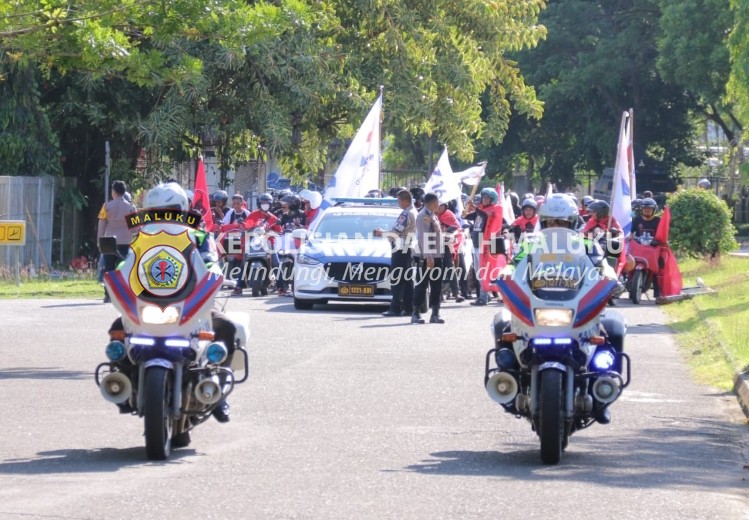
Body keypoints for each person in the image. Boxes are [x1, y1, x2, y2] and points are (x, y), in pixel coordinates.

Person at [107, 182, 237, 423]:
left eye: (170, 210)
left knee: (226, 326)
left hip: (191, 302)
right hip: (148, 302)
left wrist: (214, 274)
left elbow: (209, 260)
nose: (163, 216)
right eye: (156, 211)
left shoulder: (199, 235)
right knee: (117, 327)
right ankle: (122, 382)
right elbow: (127, 263)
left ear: (182, 210)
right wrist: (118, 275)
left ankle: (219, 389)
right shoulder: (142, 239)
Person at [502, 193, 623, 423]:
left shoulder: (587, 244)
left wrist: (611, 280)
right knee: (502, 326)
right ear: (544, 222)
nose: (557, 227)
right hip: (539, 301)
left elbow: (602, 266)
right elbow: (513, 264)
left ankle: (602, 397)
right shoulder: (529, 243)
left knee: (612, 329)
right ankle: (508, 381)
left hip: (574, 302)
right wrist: (503, 277)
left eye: (563, 223)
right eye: (551, 223)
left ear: (573, 222)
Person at [376, 189, 417, 317]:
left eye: (399, 200)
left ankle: (395, 308)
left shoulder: (406, 214)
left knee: (397, 279)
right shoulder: (414, 212)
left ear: (405, 200)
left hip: (400, 248)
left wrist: (381, 233)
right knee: (407, 280)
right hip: (408, 247)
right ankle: (408, 307)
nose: (398, 203)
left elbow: (395, 233)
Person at [462, 187, 504, 306]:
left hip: (485, 245)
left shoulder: (493, 209)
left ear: (492, 199)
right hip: (475, 244)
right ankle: (485, 294)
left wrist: (473, 206)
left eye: (487, 198)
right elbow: (467, 216)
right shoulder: (480, 210)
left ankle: (484, 296)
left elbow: (486, 214)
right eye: (483, 197)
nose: (484, 200)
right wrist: (466, 211)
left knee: (484, 272)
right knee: (477, 271)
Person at [97, 180, 137, 303]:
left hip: (109, 242)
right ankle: (121, 295)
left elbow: (101, 225)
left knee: (108, 268)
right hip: (125, 242)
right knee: (123, 268)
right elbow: (135, 228)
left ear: (114, 192)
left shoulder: (106, 206)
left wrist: (100, 241)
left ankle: (108, 295)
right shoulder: (131, 208)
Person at [411, 192, 445, 324]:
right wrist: (428, 257)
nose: (438, 204)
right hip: (427, 257)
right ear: (431, 203)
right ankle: (416, 313)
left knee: (436, 286)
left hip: (436, 256)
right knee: (422, 285)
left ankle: (435, 314)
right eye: (437, 202)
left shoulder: (432, 215)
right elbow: (424, 237)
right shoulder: (423, 216)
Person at [436, 200, 465, 303]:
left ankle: (456, 293)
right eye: (438, 205)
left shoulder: (449, 215)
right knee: (436, 270)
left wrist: (451, 235)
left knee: (450, 268)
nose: (439, 208)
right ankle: (438, 295)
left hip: (447, 245)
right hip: (433, 245)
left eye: (442, 206)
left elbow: (457, 228)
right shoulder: (431, 215)